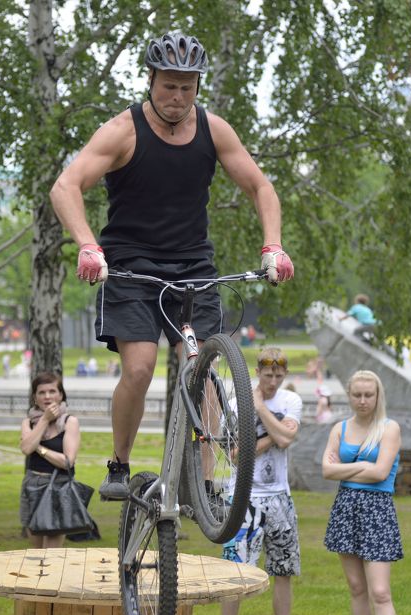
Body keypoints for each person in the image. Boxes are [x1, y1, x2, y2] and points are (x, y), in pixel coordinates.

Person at [50, 31, 294, 499]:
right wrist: (87, 245)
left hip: (193, 269)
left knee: (201, 366)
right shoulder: (123, 130)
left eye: (187, 86)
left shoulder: (213, 129)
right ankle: (119, 464)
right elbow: (66, 186)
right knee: (139, 368)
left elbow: (261, 187)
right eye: (169, 86)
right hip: (129, 268)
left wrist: (273, 246)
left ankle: (204, 486)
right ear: (150, 80)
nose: (178, 97)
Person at [219, 348, 308, 615]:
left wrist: (261, 411)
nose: (273, 381)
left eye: (278, 375)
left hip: (280, 496)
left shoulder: (290, 401)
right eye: (268, 375)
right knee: (237, 569)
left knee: (283, 568)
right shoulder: (234, 404)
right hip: (243, 497)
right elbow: (234, 454)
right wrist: (278, 431)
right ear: (257, 371)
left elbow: (285, 440)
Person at [322, 371, 403, 615]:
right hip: (346, 508)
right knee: (357, 588)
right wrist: (363, 466)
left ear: (378, 395)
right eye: (357, 395)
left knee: (380, 592)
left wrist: (345, 468)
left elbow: (381, 473)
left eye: (368, 395)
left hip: (377, 510)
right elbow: (326, 471)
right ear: (349, 395)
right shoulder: (339, 429)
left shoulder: (389, 428)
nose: (363, 400)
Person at [18, 372, 82, 549]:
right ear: (34, 397)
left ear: (60, 395)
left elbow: (67, 462)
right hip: (32, 484)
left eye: (52, 391)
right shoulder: (28, 422)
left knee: (51, 553)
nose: (47, 396)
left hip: (59, 486)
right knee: (37, 551)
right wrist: (45, 419)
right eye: (41, 392)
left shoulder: (70, 422)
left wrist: (39, 447)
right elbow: (25, 449)